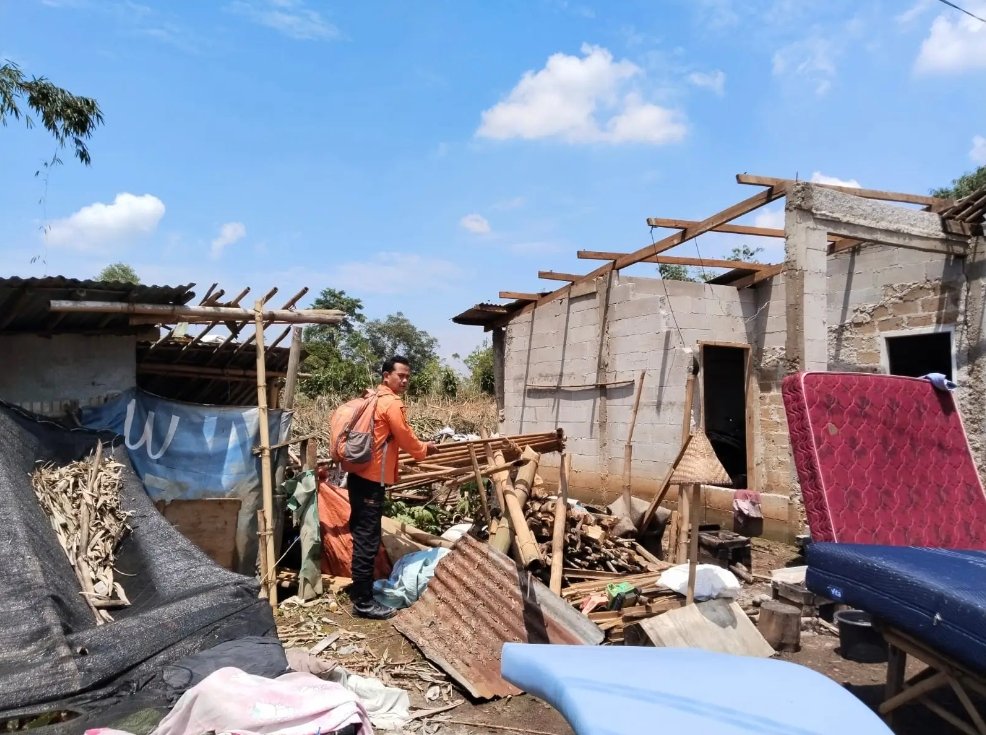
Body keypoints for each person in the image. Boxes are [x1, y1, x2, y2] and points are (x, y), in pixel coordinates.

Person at [347, 355, 438, 619]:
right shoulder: (391, 403)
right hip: (371, 480)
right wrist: (424, 450)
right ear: (386, 376)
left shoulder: (371, 398)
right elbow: (406, 437)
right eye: (401, 375)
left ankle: (360, 591)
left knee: (362, 535)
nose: (405, 380)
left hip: (357, 475)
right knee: (368, 539)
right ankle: (363, 603)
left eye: (408, 376)